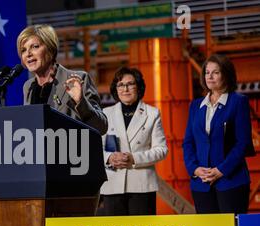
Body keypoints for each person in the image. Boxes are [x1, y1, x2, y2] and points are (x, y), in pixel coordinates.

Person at [182, 54, 253, 214]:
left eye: (216, 72)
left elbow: (242, 143)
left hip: (231, 181)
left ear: (226, 75)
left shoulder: (238, 102)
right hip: (201, 183)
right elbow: (188, 142)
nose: (210, 76)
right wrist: (194, 169)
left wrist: (220, 170)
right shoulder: (195, 106)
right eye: (207, 72)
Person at [99, 67, 168, 215]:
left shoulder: (152, 114)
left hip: (142, 186)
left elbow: (161, 149)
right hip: (112, 185)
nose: (125, 89)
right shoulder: (106, 114)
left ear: (138, 87)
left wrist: (134, 158)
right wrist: (109, 157)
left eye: (130, 84)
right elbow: (95, 149)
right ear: (115, 89)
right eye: (120, 85)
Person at [16, 24, 108, 135]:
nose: (28, 54)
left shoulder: (77, 79)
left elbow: (101, 127)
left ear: (50, 48)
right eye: (23, 50)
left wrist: (81, 102)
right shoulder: (28, 87)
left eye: (35, 47)